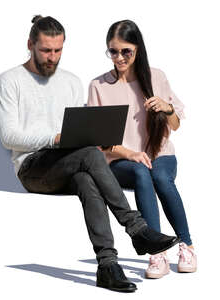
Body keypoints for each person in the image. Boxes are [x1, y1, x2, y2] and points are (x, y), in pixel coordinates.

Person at [0, 15, 179, 292]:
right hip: (32, 168)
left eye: (58, 50)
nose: (52, 57)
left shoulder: (71, 81)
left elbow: (78, 132)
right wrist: (56, 139)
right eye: (45, 50)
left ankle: (107, 266)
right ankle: (137, 229)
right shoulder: (9, 80)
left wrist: (86, 137)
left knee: (86, 177)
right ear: (30, 44)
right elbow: (9, 137)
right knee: (90, 154)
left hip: (69, 163)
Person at [87, 19, 197, 279]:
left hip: (160, 155)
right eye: (113, 51)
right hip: (120, 160)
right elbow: (96, 138)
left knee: (158, 175)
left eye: (126, 51)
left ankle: (187, 245)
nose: (120, 57)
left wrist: (166, 108)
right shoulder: (98, 86)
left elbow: (176, 124)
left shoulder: (155, 76)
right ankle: (156, 253)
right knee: (140, 170)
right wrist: (130, 153)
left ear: (138, 49)